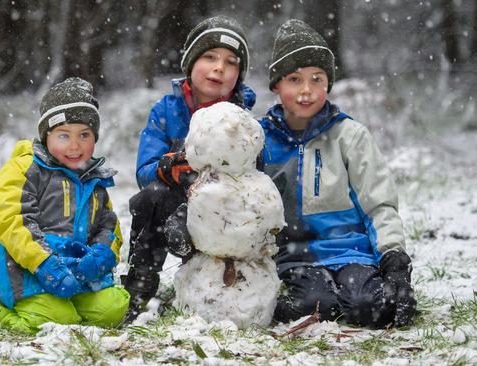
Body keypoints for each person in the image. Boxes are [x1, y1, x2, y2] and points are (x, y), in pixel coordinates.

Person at [260, 19, 416, 328]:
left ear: (328, 84)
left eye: (317, 79)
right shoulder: (260, 139)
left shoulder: (350, 136)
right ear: (276, 85)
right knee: (314, 306)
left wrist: (393, 258)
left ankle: (366, 294)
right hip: (295, 257)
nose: (307, 90)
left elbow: (378, 204)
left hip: (350, 251)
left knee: (369, 307)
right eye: (294, 79)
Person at [122, 15, 256, 321]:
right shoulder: (166, 111)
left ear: (239, 74)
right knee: (149, 198)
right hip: (173, 202)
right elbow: (145, 169)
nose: (219, 68)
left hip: (224, 211)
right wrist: (167, 166)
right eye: (209, 57)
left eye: (231, 62)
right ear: (190, 63)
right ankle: (141, 284)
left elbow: (258, 172)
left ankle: (234, 288)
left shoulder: (243, 118)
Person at [0, 77, 130, 334]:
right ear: (46, 135)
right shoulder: (24, 170)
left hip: (76, 274)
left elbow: (108, 223)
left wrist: (102, 253)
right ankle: (0, 307)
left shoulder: (93, 178)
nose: (75, 146)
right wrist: (44, 263)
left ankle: (70, 304)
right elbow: (13, 223)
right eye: (64, 135)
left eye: (84, 135)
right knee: (57, 321)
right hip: (28, 273)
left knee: (113, 310)